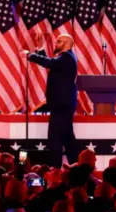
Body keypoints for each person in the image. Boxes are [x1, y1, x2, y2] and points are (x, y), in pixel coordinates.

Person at [27, 33, 78, 168]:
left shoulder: (67, 58)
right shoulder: (65, 58)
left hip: (62, 106)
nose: (55, 44)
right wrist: (40, 48)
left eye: (58, 42)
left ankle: (55, 169)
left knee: (55, 138)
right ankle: (77, 166)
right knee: (67, 138)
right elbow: (51, 64)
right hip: (63, 106)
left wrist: (30, 55)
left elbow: (50, 63)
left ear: (67, 44)